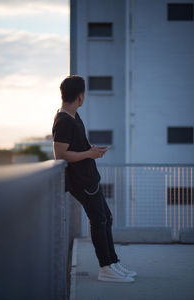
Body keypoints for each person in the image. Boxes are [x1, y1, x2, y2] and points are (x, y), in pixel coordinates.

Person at [52, 75, 137, 282]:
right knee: (99, 221)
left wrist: (92, 150)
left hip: (90, 177)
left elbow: (76, 147)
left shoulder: (73, 116)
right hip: (81, 181)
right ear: (80, 96)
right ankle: (105, 267)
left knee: (106, 218)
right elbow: (60, 155)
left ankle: (113, 262)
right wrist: (89, 155)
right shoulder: (63, 120)